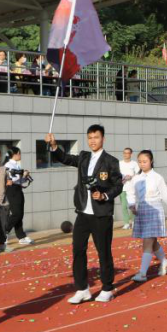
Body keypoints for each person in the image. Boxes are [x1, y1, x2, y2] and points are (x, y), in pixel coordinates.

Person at [44, 126, 123, 303]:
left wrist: (104, 195)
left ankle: (107, 288)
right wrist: (54, 145)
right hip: (82, 212)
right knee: (78, 250)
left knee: (103, 252)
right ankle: (82, 289)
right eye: (90, 137)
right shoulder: (83, 157)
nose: (93, 141)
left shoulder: (111, 161)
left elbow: (118, 185)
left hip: (101, 214)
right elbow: (65, 158)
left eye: (96, 137)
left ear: (103, 139)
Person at [126, 150, 167, 282]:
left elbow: (165, 195)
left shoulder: (157, 177)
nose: (142, 164)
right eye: (140, 161)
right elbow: (130, 192)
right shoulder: (136, 178)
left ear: (151, 161)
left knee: (147, 241)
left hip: (154, 210)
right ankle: (164, 261)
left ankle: (142, 273)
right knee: (151, 241)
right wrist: (132, 205)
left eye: (145, 161)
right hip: (141, 210)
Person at [118, 148, 137, 230]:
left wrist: (131, 176)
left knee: (132, 206)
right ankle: (126, 223)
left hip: (131, 188)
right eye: (124, 153)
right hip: (122, 187)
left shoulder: (134, 163)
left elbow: (138, 174)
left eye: (127, 153)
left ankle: (133, 221)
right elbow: (116, 174)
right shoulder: (119, 163)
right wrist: (121, 179)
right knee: (123, 206)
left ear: (131, 154)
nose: (126, 155)